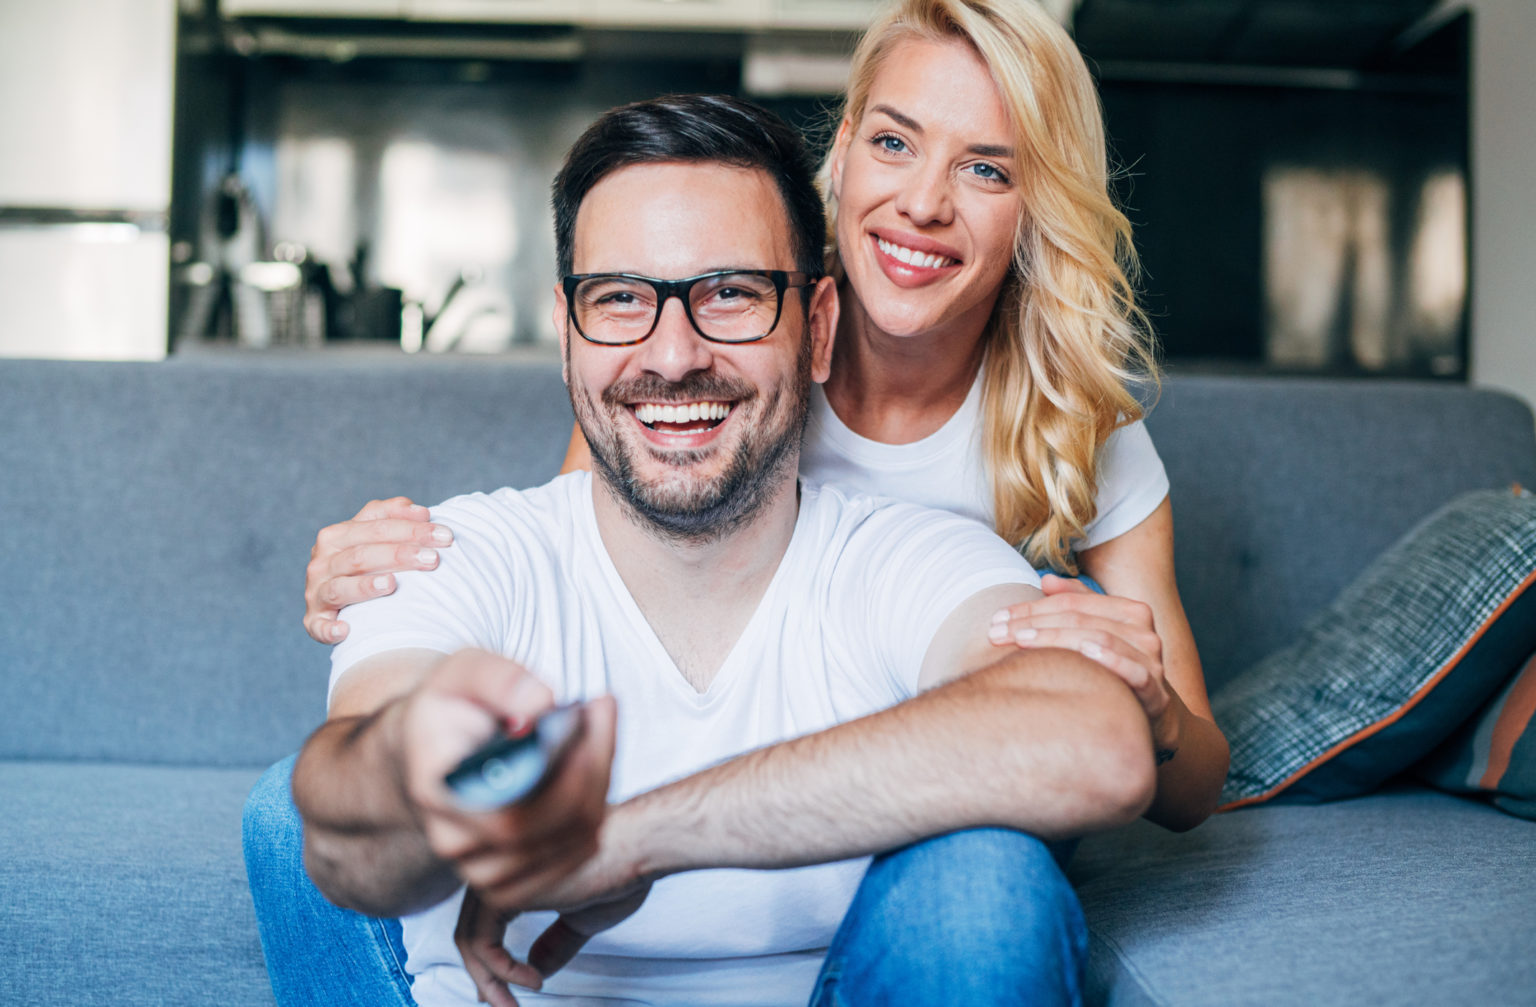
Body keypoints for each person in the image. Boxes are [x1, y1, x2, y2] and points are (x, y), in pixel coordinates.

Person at [281, 92, 1155, 1007]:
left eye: (731, 294)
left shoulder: (908, 557)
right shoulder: (454, 555)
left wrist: (631, 838)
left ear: (818, 328)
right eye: (621, 298)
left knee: (988, 879)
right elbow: (344, 851)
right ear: (567, 332)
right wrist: (416, 760)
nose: (673, 355)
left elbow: (1099, 742)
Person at [300, 0, 1228, 832]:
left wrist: (1145, 705)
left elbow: (1192, 784)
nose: (922, 203)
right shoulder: (703, 368)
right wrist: (386, 578)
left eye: (986, 168)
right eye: (894, 143)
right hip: (746, 786)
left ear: (1037, 206)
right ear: (846, 148)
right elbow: (590, 601)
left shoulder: (1079, 426)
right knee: (294, 812)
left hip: (965, 790)